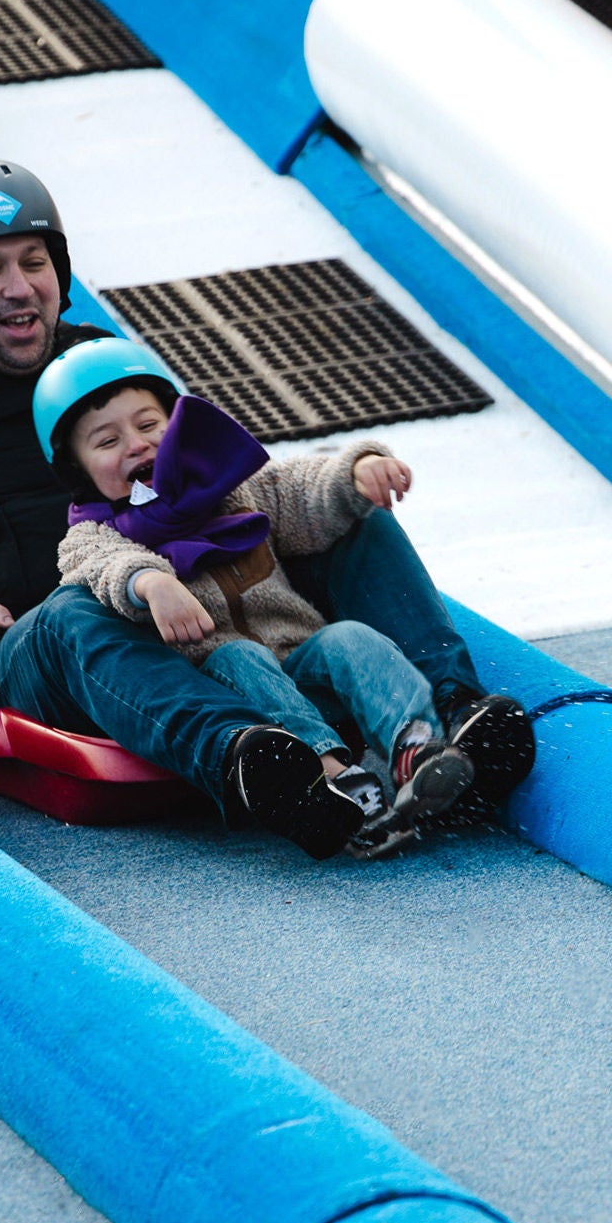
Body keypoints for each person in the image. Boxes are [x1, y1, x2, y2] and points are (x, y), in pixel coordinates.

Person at [0, 156, 533, 859]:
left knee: (347, 511)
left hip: (204, 619)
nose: (19, 288)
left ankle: (449, 720)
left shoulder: (97, 364)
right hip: (44, 657)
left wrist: (351, 477)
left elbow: (241, 491)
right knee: (73, 610)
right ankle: (261, 765)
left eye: (35, 263)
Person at [35, 337, 478, 856]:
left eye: (148, 425)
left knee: (349, 637)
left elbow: (303, 486)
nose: (135, 444)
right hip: (233, 697)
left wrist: (358, 469)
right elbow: (97, 567)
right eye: (106, 442)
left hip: (303, 665)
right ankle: (332, 779)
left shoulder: (233, 490)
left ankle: (415, 748)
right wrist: (151, 581)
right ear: (77, 470)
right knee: (240, 653)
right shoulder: (94, 531)